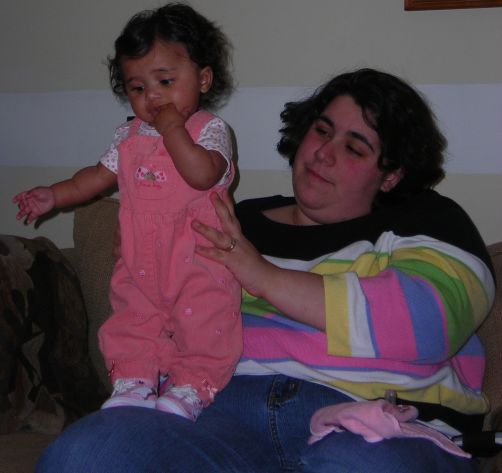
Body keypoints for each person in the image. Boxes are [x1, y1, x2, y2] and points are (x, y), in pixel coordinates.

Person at [36, 68, 495, 472]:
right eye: (321, 130)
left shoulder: (427, 220)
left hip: (370, 423)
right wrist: (146, 261)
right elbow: (164, 317)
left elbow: (426, 322)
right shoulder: (227, 217)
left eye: (354, 148)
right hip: (216, 414)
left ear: (391, 175)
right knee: (87, 454)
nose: (323, 153)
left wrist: (260, 275)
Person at [13, 3, 242, 422]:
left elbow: (201, 175)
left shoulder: (208, 131)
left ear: (203, 79)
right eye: (137, 88)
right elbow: (96, 177)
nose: (152, 96)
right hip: (140, 259)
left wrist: (172, 130)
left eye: (165, 81)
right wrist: (54, 196)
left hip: (197, 259)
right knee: (132, 319)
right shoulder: (129, 136)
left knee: (202, 321)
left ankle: (193, 385)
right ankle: (134, 380)